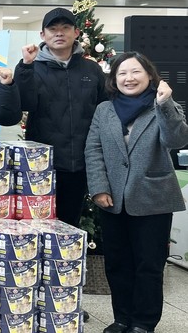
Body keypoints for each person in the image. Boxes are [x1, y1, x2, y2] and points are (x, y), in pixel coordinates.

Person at [85, 52, 188, 333]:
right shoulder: (104, 109)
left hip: (153, 198)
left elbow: (177, 139)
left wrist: (164, 104)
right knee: (117, 264)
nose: (129, 78)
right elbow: (93, 149)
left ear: (150, 76)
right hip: (112, 199)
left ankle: (143, 323)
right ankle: (122, 318)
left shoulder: (164, 105)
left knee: (149, 265)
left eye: (135, 72)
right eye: (122, 73)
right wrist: (99, 188)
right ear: (114, 79)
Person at [14, 7, 107, 227]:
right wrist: (25, 66)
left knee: (69, 225)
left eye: (65, 28)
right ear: (42, 35)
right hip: (41, 163)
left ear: (76, 32)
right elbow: (24, 104)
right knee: (36, 225)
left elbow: (105, 110)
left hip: (80, 164)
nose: (59, 33)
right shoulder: (32, 68)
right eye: (53, 29)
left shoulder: (92, 70)